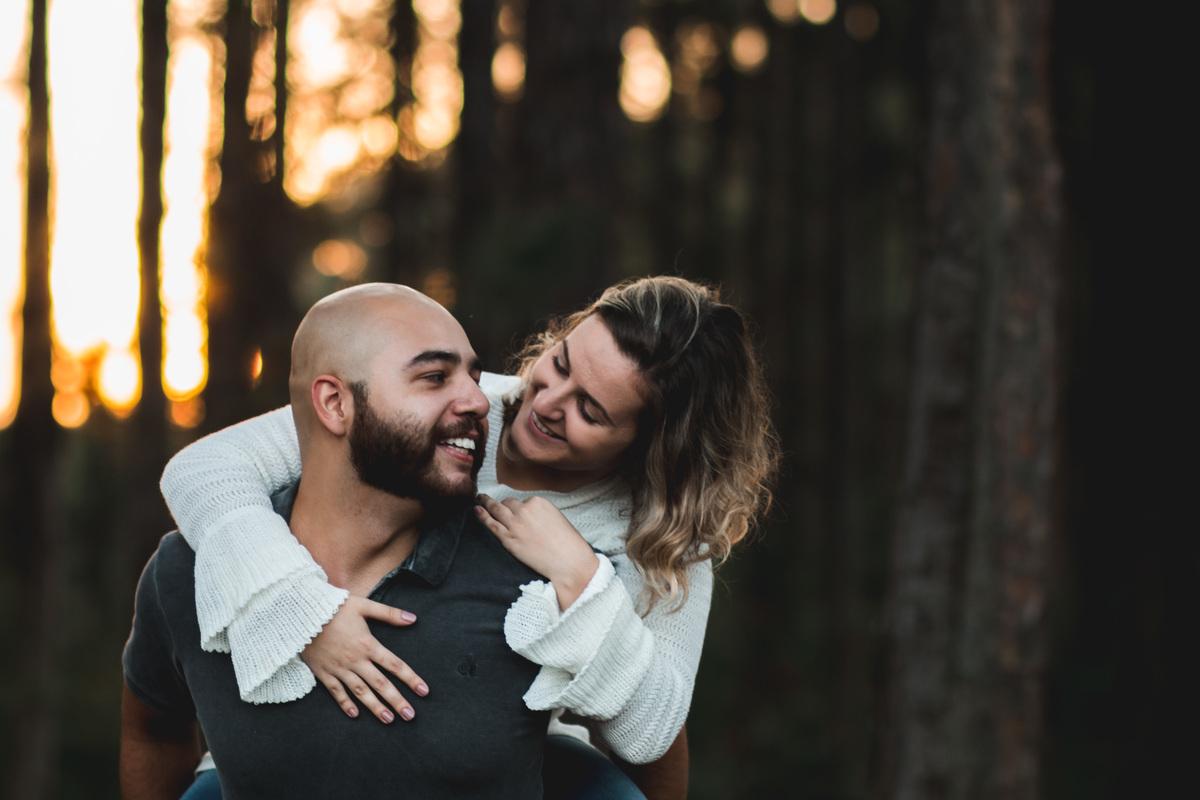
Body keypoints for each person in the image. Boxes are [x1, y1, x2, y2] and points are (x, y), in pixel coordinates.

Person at [160, 276, 779, 798]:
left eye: (590, 411)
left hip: (508, 747)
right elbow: (203, 471)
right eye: (560, 362)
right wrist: (302, 610)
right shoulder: (454, 408)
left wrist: (581, 577)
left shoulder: (661, 536)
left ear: (649, 449)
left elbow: (655, 728)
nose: (546, 402)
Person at [121, 284, 553, 799]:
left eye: (475, 379)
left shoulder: (535, 576)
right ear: (334, 403)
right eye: (435, 377)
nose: (480, 402)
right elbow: (153, 729)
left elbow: (632, 728)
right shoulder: (191, 570)